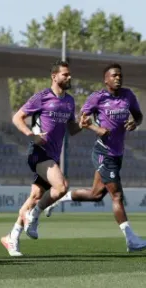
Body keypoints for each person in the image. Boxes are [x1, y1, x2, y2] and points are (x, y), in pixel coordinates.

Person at [43, 63, 146, 252]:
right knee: (117, 195)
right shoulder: (97, 98)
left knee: (96, 194)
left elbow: (138, 116)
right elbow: (82, 121)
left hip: (118, 153)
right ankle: (130, 239)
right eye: (114, 75)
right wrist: (94, 127)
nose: (118, 78)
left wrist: (135, 122)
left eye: (120, 75)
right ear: (105, 79)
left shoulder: (128, 95)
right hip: (103, 153)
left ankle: (62, 198)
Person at [0, 60, 90, 257]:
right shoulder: (42, 97)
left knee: (34, 197)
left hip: (53, 156)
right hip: (39, 153)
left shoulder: (69, 101)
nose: (69, 77)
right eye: (65, 74)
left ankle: (11, 237)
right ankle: (35, 214)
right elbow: (17, 118)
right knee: (61, 187)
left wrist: (82, 124)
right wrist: (31, 135)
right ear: (54, 76)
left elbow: (72, 130)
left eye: (69, 74)